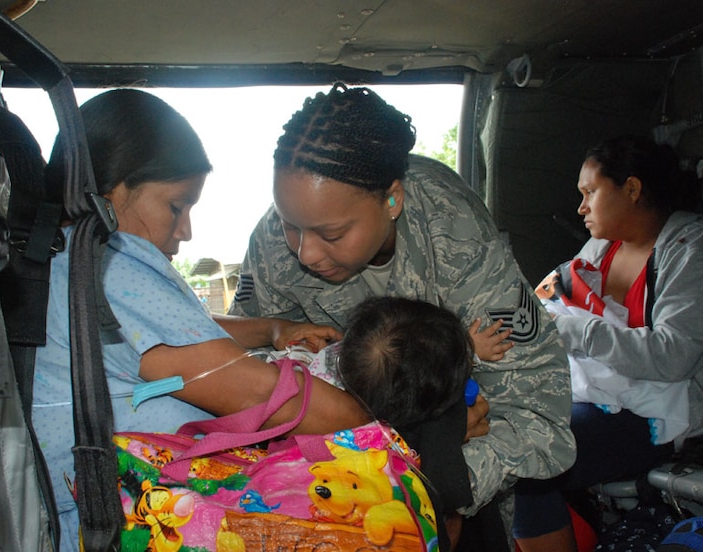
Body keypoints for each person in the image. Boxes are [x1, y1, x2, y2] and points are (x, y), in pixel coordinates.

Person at [227, 82, 577, 547]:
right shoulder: (274, 242)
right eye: (291, 226)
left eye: (331, 233)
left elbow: (540, 418)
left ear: (392, 200)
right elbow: (245, 377)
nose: (305, 252)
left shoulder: (454, 237)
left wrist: (423, 479)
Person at [30, 88, 370, 551]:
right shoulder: (107, 257)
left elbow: (162, 335)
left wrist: (272, 329)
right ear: (109, 190)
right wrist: (383, 426)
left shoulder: (61, 262)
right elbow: (267, 396)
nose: (185, 230)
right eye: (176, 205)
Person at [512, 135, 703, 552]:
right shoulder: (601, 247)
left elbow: (672, 357)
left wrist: (571, 330)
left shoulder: (694, 253)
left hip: (671, 419)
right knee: (503, 428)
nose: (581, 207)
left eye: (590, 192)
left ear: (631, 189)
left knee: (530, 460)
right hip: (602, 399)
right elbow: (554, 302)